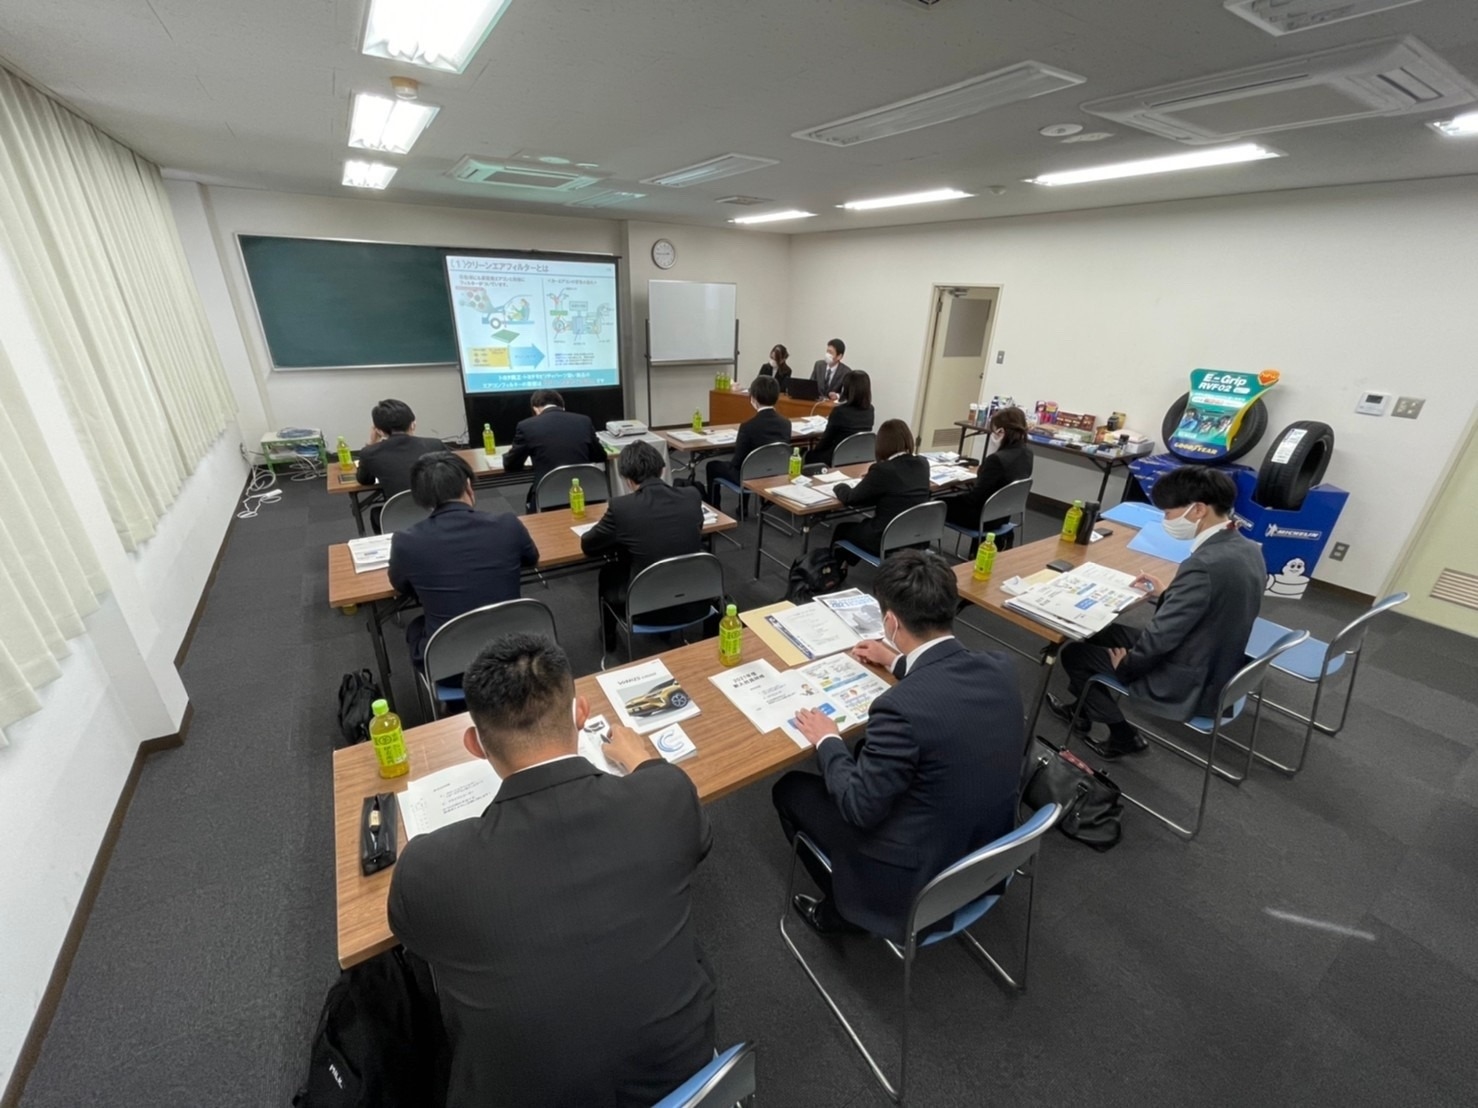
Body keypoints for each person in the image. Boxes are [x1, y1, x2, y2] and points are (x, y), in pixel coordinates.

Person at [387, 634, 716, 1107]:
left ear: (474, 744)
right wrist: (640, 757)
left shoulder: (427, 869)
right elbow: (679, 810)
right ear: (581, 713)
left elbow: (415, 938)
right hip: (688, 1080)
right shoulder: (667, 796)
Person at [773, 549, 1023, 937]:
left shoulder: (899, 709)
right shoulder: (1002, 667)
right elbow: (945, 684)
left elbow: (858, 808)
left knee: (790, 789)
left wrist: (828, 740)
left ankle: (845, 910)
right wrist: (894, 661)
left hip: (919, 878)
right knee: (867, 756)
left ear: (890, 621)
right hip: (986, 852)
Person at [1048, 465, 1265, 760]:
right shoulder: (1248, 547)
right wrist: (1166, 595)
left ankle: (1123, 736)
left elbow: (1161, 637)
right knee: (1102, 633)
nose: (1166, 520)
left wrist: (1126, 667)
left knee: (1075, 654)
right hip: (1214, 656)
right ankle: (1084, 708)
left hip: (1190, 675)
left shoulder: (1204, 565)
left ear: (1198, 509)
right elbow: (1209, 608)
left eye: (1168, 513)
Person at [387, 452, 538, 666]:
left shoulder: (405, 541)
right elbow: (531, 559)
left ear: (420, 498)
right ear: (468, 485)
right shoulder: (508, 524)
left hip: (448, 663)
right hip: (514, 651)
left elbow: (401, 586)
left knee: (416, 627)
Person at [582, 440, 712, 656]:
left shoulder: (621, 507)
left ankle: (608, 637)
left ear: (627, 479)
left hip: (644, 610)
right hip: (695, 600)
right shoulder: (692, 495)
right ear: (662, 470)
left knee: (608, 572)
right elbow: (695, 531)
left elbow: (589, 545)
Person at [830, 419, 930, 565]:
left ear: (882, 444)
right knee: (864, 525)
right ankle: (848, 562)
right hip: (917, 538)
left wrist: (839, 485)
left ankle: (834, 571)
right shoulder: (923, 464)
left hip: (886, 539)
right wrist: (871, 479)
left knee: (842, 529)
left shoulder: (883, 470)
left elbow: (851, 498)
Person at [944, 404, 1034, 550]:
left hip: (982, 518)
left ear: (1001, 431)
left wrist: (954, 497)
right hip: (1003, 514)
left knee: (936, 505)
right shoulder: (1027, 453)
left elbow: (974, 498)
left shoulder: (997, 459)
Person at [503, 389, 605, 512]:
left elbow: (511, 464)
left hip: (548, 498)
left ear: (535, 409)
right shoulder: (584, 421)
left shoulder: (526, 426)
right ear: (562, 406)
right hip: (587, 492)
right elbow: (600, 456)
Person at [703, 374, 791, 506]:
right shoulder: (786, 423)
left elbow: (737, 462)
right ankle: (742, 508)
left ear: (753, 398)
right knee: (750, 463)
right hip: (776, 473)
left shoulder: (748, 426)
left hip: (748, 476)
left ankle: (715, 508)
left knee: (712, 466)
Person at [354, 398, 446, 499]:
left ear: (379, 431)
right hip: (437, 506)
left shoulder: (369, 453)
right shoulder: (435, 445)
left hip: (398, 508)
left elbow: (365, 480)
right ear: (413, 425)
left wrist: (371, 443)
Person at [805, 369, 875, 467]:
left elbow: (826, 440)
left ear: (847, 389)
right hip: (859, 457)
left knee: (807, 455)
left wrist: (815, 450)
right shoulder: (870, 410)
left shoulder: (840, 412)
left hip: (835, 457)